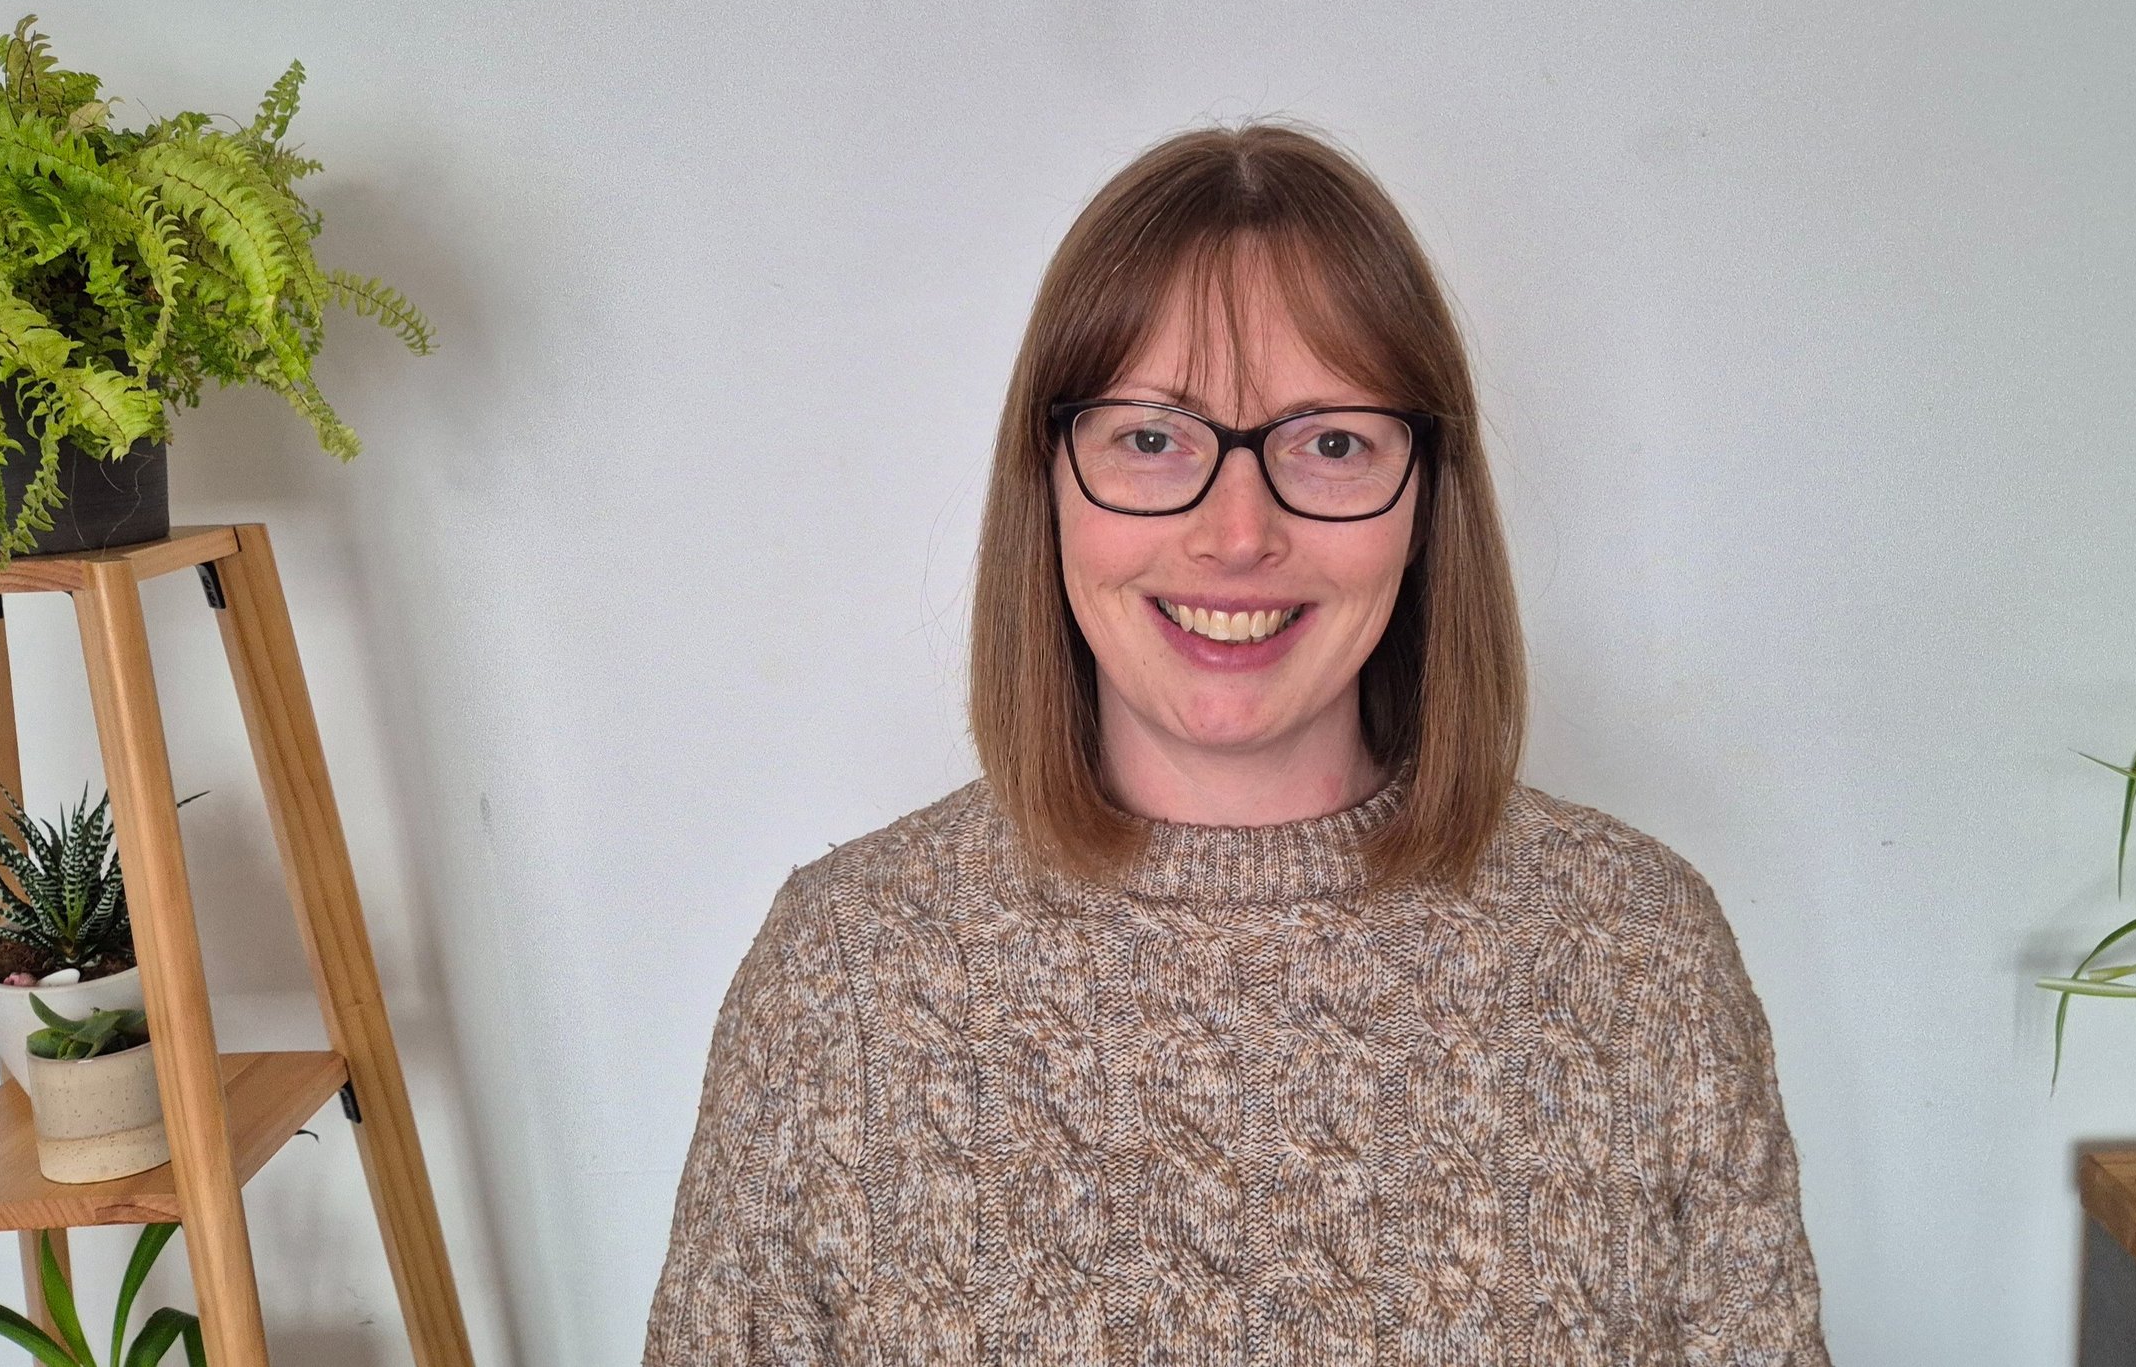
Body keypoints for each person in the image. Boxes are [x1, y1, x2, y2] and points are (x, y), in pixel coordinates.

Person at [643, 121, 1829, 1365]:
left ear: (1428, 496)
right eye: (1151, 437)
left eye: (1331, 442)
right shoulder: (843, 972)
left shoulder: (1640, 955)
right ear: (1046, 478)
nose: (1237, 531)